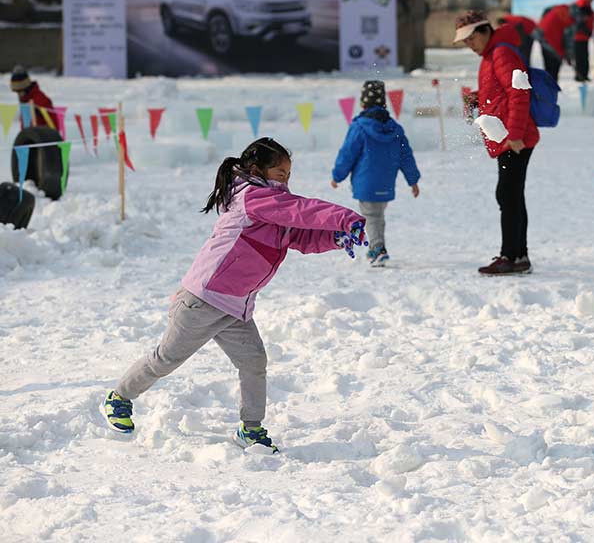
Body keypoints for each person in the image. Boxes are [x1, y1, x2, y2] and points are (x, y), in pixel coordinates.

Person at [101, 138, 366, 454]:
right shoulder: (253, 198)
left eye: (288, 175)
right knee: (166, 359)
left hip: (235, 307)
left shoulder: (272, 207)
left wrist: (336, 237)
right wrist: (345, 217)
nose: (286, 181)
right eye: (280, 174)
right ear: (257, 170)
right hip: (203, 300)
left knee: (254, 362)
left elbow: (300, 235)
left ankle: (250, 429)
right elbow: (301, 210)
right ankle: (119, 397)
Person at [454, 10, 539, 275]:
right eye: (465, 41)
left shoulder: (501, 53)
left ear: (484, 30)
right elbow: (501, 92)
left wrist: (514, 134)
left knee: (508, 195)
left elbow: (519, 92)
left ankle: (510, 256)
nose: (469, 45)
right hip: (507, 135)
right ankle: (518, 255)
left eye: (471, 38)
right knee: (511, 195)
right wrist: (478, 98)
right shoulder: (492, 55)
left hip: (513, 138)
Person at [331, 80, 421, 267]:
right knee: (377, 216)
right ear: (385, 104)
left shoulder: (359, 127)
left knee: (372, 216)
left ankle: (378, 249)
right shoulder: (395, 128)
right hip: (386, 181)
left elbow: (347, 153)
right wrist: (413, 180)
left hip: (366, 182)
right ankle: (376, 246)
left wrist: (337, 175)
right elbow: (406, 156)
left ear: (363, 104)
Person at [534, 4, 574, 81]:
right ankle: (551, 89)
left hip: (542, 36)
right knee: (553, 70)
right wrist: (568, 56)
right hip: (551, 42)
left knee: (549, 69)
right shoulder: (571, 19)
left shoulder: (560, 8)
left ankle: (548, 89)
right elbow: (568, 40)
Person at [572, 0, 594, 82]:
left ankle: (584, 75)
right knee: (580, 56)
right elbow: (579, 21)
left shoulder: (587, 3)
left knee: (584, 56)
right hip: (579, 35)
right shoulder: (581, 4)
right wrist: (587, 31)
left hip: (584, 36)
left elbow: (589, 16)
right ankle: (579, 76)